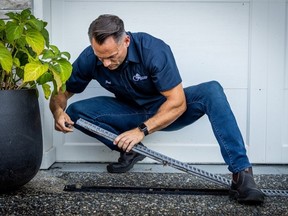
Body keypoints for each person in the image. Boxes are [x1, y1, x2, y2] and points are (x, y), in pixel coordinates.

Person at [49, 14, 264, 205]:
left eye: (111, 56)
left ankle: (242, 174)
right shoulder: (90, 57)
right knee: (75, 112)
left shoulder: (153, 50)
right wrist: (58, 112)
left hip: (168, 111)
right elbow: (60, 94)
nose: (105, 63)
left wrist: (141, 130)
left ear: (126, 41)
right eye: (100, 57)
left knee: (212, 91)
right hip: (129, 111)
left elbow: (177, 103)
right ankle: (130, 150)